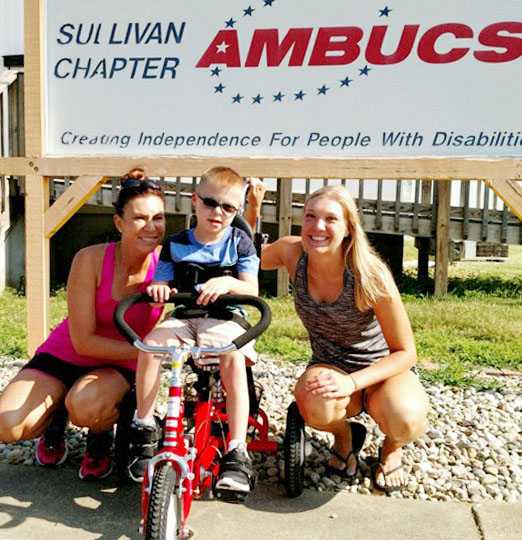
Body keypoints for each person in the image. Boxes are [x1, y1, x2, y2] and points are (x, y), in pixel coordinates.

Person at [248, 181, 429, 492]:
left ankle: (391, 448)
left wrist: (354, 383)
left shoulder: (370, 274)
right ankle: (345, 437)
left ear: (348, 228)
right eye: (310, 216)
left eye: (330, 219)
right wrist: (253, 208)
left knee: (407, 418)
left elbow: (405, 352)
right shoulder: (294, 253)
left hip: (382, 371)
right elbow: (248, 257)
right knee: (312, 403)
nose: (318, 227)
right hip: (331, 365)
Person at [0, 169, 166, 480]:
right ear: (119, 222)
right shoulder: (89, 259)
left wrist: (249, 209)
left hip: (117, 367)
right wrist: (148, 353)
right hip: (67, 355)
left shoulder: (168, 265)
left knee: (87, 405)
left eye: (158, 218)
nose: (151, 227)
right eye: (140, 218)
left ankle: (99, 437)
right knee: (8, 424)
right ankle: (56, 417)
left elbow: (236, 254)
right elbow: (84, 343)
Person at [128, 167, 260, 499]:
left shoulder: (239, 243)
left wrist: (227, 282)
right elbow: (162, 279)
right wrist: (159, 287)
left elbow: (252, 289)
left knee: (232, 355)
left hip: (226, 317)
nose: (218, 213)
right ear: (195, 201)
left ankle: (236, 449)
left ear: (238, 211)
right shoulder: (175, 244)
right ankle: (144, 425)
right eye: (211, 203)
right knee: (150, 345)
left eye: (228, 208)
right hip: (186, 316)